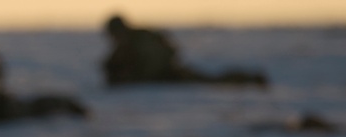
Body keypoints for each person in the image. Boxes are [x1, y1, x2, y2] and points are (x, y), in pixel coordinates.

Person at [102, 15, 268, 87]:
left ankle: (250, 79)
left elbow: (156, 62)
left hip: (171, 74)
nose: (113, 38)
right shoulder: (130, 43)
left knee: (213, 82)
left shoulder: (142, 40)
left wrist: (137, 77)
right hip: (170, 73)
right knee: (211, 80)